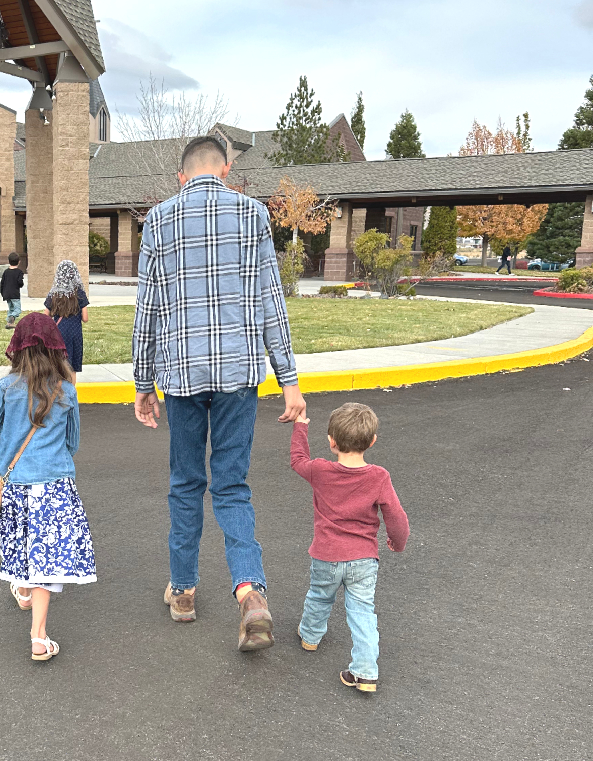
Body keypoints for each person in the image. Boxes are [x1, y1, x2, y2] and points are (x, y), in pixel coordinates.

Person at [132, 135, 306, 652]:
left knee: (186, 482)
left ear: (181, 176)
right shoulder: (253, 214)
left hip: (182, 377)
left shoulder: (159, 220)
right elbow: (271, 302)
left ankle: (183, 592)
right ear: (226, 170)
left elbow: (148, 313)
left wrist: (144, 384)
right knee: (231, 485)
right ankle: (250, 592)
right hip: (238, 377)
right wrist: (289, 379)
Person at [0, 312, 96, 661]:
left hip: (14, 484)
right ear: (56, 347)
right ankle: (38, 637)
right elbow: (72, 442)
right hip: (55, 485)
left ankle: (22, 592)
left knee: (21, 543)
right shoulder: (66, 390)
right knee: (45, 558)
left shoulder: (5, 389)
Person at [289, 403, 410, 693]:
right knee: (362, 610)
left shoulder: (320, 470)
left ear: (331, 441)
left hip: (326, 554)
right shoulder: (379, 476)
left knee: (319, 596)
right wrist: (398, 541)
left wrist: (300, 425)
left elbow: (297, 459)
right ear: (371, 441)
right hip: (364, 558)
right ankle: (366, 671)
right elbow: (395, 515)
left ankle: (310, 636)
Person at [44, 259, 89, 382]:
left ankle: (58, 394)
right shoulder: (79, 293)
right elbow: (85, 318)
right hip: (75, 334)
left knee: (59, 364)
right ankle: (71, 395)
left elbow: (45, 315)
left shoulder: (54, 294)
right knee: (72, 367)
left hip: (59, 333)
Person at [0, 252, 25, 328]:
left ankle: (9, 323)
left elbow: (2, 283)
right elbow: (20, 283)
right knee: (17, 309)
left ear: (9, 261)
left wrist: (2, 293)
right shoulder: (19, 272)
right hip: (15, 294)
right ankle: (11, 317)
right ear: (19, 262)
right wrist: (21, 284)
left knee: (11, 308)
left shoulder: (6, 272)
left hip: (7, 294)